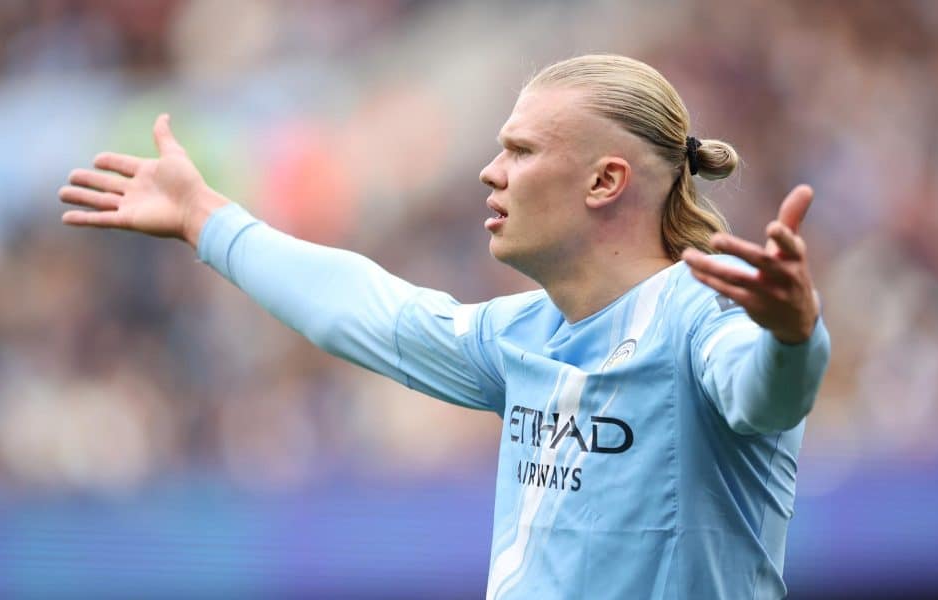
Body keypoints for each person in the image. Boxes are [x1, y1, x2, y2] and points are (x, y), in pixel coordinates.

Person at [58, 54, 829, 600]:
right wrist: (205, 217)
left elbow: (762, 392)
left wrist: (794, 336)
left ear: (605, 180)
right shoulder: (522, 334)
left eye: (520, 151)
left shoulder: (704, 312)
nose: (491, 171)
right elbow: (366, 308)